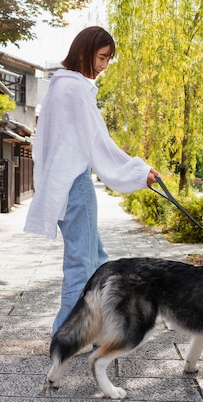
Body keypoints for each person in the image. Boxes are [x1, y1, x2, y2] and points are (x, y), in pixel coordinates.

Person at [24, 26, 159, 334]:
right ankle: (69, 335)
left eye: (108, 60)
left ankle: (98, 329)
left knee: (97, 261)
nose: (103, 67)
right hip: (76, 185)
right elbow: (97, 141)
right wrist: (139, 172)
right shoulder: (73, 89)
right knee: (83, 268)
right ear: (83, 52)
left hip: (64, 185)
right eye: (101, 57)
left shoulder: (60, 87)